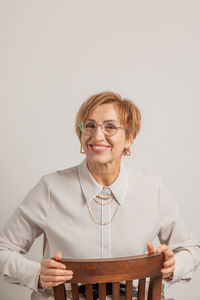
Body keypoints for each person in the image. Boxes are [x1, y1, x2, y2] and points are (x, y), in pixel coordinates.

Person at [0, 91, 199, 300]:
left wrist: (173, 266)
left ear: (129, 139)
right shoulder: (50, 188)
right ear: (81, 135)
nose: (97, 136)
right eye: (90, 126)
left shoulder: (152, 189)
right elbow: (3, 250)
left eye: (110, 127)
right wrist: (37, 275)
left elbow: (191, 250)